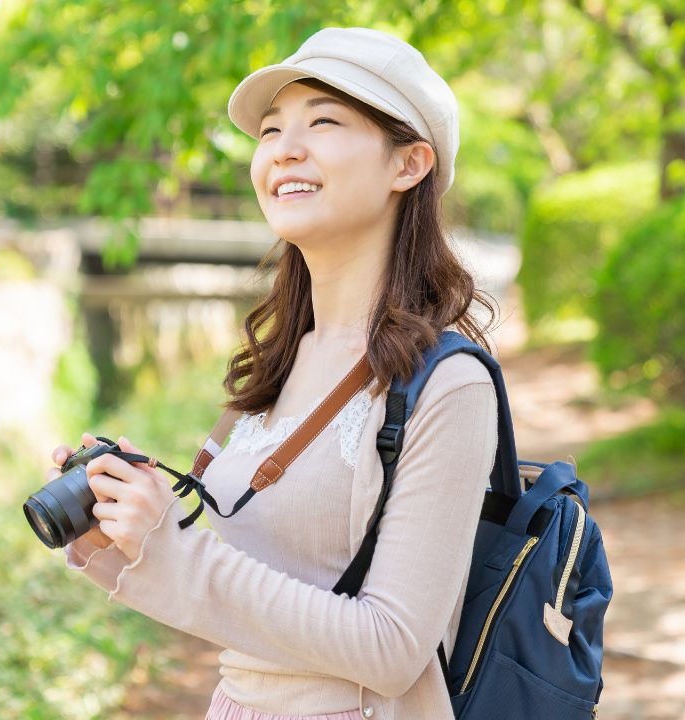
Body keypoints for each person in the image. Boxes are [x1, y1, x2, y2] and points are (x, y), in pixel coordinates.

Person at [52, 27, 499, 719]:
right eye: (270, 130)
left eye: (323, 121)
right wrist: (123, 537)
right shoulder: (281, 359)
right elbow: (242, 603)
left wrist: (175, 547)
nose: (284, 148)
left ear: (408, 164)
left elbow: (394, 647)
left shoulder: (448, 383)